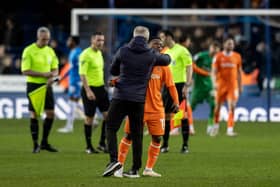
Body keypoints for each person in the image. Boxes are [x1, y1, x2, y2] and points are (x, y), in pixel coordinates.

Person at [102, 26, 171, 177]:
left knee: (111, 127)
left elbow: (113, 71)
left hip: (120, 96)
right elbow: (167, 60)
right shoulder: (151, 54)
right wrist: (159, 53)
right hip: (138, 100)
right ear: (146, 39)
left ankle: (114, 161)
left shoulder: (123, 50)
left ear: (133, 36)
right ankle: (134, 169)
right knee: (137, 133)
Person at [114, 37, 179, 178]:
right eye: (155, 44)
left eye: (161, 45)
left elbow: (171, 86)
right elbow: (125, 78)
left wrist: (176, 102)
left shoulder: (164, 67)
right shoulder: (138, 63)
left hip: (156, 109)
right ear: (148, 46)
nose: (159, 47)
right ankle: (119, 167)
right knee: (129, 136)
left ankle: (148, 169)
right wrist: (115, 82)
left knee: (157, 139)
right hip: (137, 106)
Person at [21, 26, 59, 153]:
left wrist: (52, 76)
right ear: (38, 37)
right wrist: (44, 75)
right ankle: (35, 144)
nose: (45, 42)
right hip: (33, 86)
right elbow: (25, 70)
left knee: (50, 114)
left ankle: (44, 142)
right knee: (34, 114)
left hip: (47, 86)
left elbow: (55, 69)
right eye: (43, 39)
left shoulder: (50, 51)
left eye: (47, 39)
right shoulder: (28, 50)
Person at [160, 30, 193, 154]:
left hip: (179, 86)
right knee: (166, 116)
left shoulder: (182, 50)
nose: (161, 40)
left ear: (169, 37)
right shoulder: (164, 51)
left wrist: (187, 85)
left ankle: (185, 145)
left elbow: (189, 67)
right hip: (167, 87)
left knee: (182, 115)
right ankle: (165, 145)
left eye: (162, 37)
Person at [79, 32, 109, 154]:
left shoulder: (99, 54)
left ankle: (102, 143)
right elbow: (83, 74)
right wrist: (88, 90)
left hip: (101, 88)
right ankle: (88, 146)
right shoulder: (85, 54)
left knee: (108, 116)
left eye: (102, 40)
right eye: (98, 40)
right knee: (89, 119)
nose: (100, 42)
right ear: (92, 40)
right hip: (90, 89)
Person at [211, 37, 242, 137]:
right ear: (224, 45)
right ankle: (215, 126)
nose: (231, 46)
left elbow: (239, 73)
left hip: (232, 86)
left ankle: (230, 129)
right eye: (229, 43)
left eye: (232, 44)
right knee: (217, 107)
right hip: (220, 85)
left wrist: (240, 86)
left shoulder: (237, 56)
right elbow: (213, 72)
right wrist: (214, 83)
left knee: (232, 107)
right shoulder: (218, 56)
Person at [190, 41, 221, 135]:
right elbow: (191, 64)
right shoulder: (201, 56)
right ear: (210, 48)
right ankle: (188, 126)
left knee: (213, 105)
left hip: (210, 87)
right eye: (213, 47)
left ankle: (210, 126)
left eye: (216, 48)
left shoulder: (218, 59)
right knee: (190, 108)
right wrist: (202, 73)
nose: (214, 50)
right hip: (198, 87)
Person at [57, 36, 83, 133]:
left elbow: (82, 67)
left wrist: (81, 80)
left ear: (73, 42)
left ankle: (69, 126)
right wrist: (62, 78)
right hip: (72, 80)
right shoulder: (73, 52)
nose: (67, 42)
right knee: (73, 103)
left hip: (75, 81)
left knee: (72, 102)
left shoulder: (78, 53)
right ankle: (92, 119)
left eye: (69, 40)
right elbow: (70, 68)